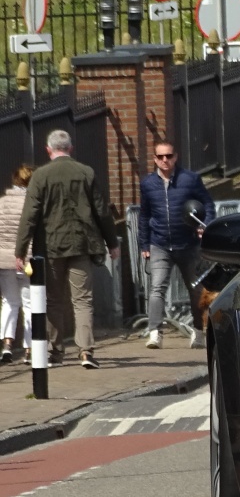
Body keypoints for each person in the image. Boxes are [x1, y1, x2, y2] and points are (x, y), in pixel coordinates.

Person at [13, 129, 119, 369]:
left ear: (48, 150)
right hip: (81, 245)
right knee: (83, 300)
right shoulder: (86, 172)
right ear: (70, 149)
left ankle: (55, 350)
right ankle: (86, 351)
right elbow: (102, 211)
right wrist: (112, 242)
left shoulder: (40, 176)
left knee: (53, 300)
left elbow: (29, 216)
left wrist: (20, 250)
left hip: (50, 247)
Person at [138, 141, 216, 350]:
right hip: (160, 243)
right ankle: (155, 332)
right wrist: (144, 243)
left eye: (169, 156)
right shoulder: (147, 184)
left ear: (175, 156)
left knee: (197, 290)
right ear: (154, 159)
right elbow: (144, 215)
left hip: (188, 243)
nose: (165, 160)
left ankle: (199, 332)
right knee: (157, 288)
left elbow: (207, 203)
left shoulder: (190, 180)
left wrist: (205, 225)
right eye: (160, 157)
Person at [0, 165, 34, 363]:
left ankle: (7, 346)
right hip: (28, 260)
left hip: (5, 261)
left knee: (9, 302)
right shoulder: (33, 203)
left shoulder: (2, 203)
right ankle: (30, 350)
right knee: (29, 304)